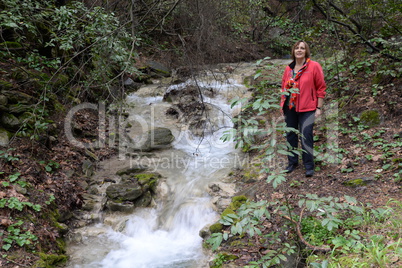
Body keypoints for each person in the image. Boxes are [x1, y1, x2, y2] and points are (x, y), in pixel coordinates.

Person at [280, 40, 326, 177]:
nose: (299, 50)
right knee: (290, 135)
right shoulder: (288, 69)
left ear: (306, 51)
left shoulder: (314, 66)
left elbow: (321, 87)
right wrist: (281, 105)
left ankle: (309, 165)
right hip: (290, 107)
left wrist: (319, 107)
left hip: (308, 107)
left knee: (306, 135)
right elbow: (284, 88)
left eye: (302, 48)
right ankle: (292, 162)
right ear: (293, 51)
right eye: (297, 48)